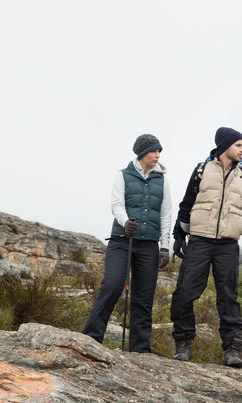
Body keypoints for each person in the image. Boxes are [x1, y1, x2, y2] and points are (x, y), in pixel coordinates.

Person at [170, 126, 242, 367]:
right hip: (199, 240)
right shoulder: (201, 171)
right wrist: (179, 234)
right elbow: (186, 204)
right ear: (225, 146)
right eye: (238, 145)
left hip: (228, 245)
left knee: (228, 297)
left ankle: (232, 350)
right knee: (184, 292)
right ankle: (183, 344)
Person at [83, 134, 172, 353]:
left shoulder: (162, 179)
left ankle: (140, 350)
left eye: (159, 151)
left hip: (149, 244)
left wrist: (165, 246)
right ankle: (90, 339)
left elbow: (166, 212)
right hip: (122, 241)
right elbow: (116, 204)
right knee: (112, 286)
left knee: (143, 298)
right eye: (153, 151)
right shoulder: (123, 175)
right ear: (142, 153)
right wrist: (125, 222)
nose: (157, 155)